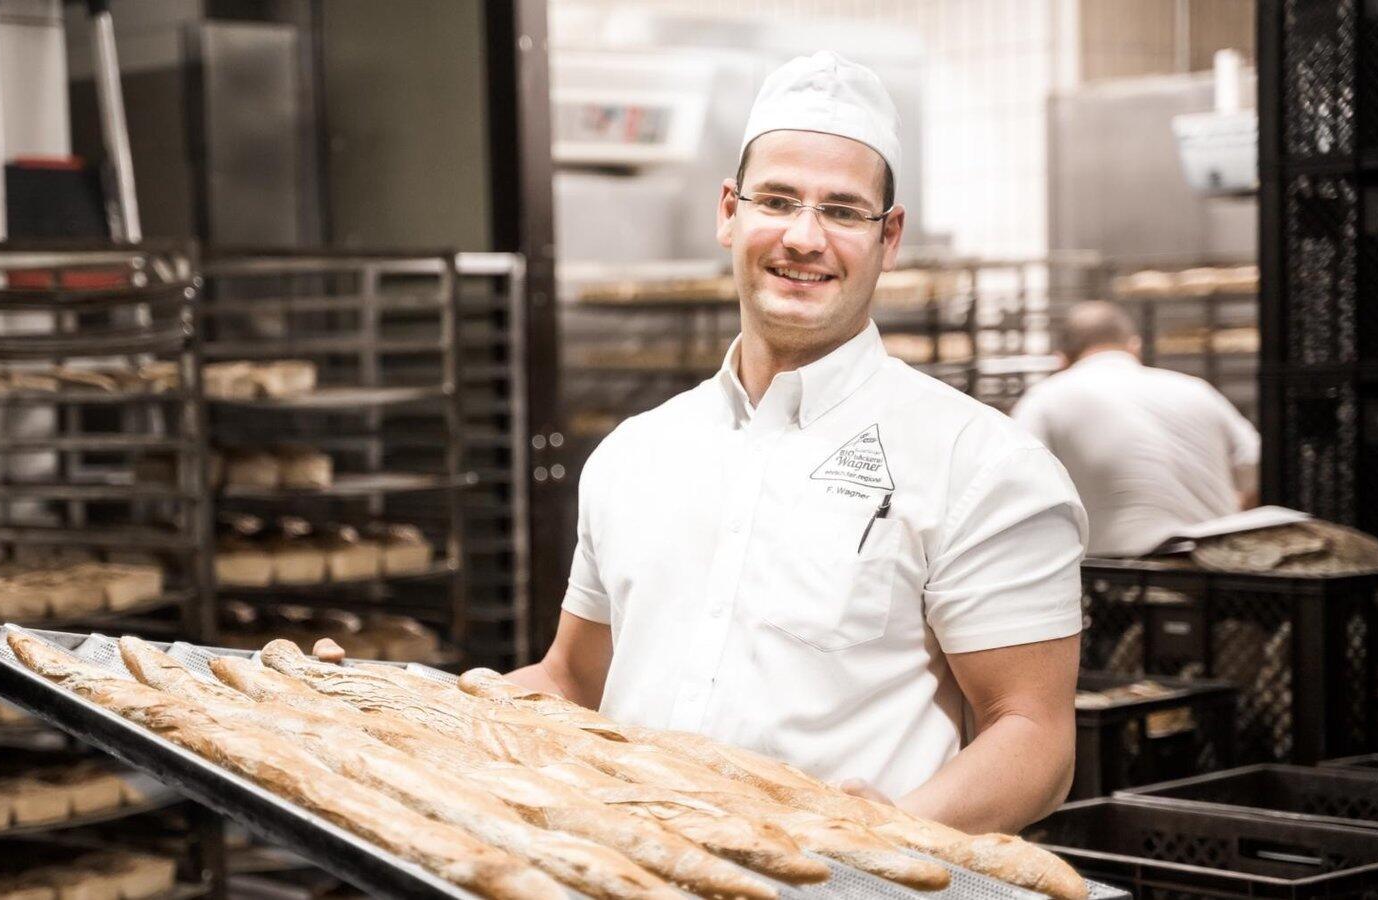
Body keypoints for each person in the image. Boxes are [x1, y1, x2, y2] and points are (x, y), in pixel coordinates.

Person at [424, 51, 1082, 836]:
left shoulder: (981, 465)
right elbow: (573, 680)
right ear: (728, 212)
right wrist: (404, 711)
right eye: (777, 201)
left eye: (843, 211)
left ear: (890, 237)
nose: (803, 237)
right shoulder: (634, 454)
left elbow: (1034, 734)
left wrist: (890, 838)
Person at [1011, 301, 1260, 558]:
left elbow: (1017, 485)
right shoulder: (1197, 390)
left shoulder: (1045, 398)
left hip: (1118, 573)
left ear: (1061, 359)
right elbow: (1258, 464)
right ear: (1135, 346)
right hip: (1216, 565)